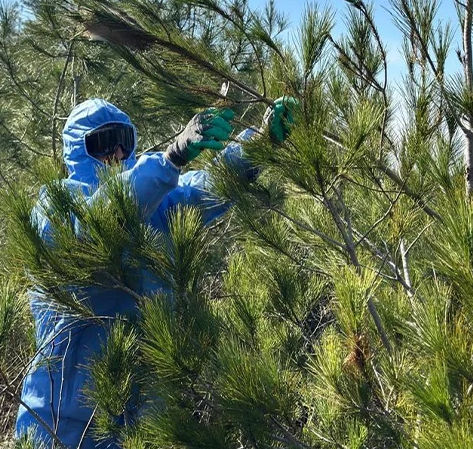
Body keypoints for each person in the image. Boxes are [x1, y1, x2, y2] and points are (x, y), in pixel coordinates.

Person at [16, 96, 298, 448]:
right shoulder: (56, 206)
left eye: (124, 140)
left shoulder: (157, 200)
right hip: (66, 423)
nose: (117, 152)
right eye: (103, 142)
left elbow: (204, 187)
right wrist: (171, 158)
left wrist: (258, 144)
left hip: (144, 419)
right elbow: (93, 226)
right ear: (77, 151)